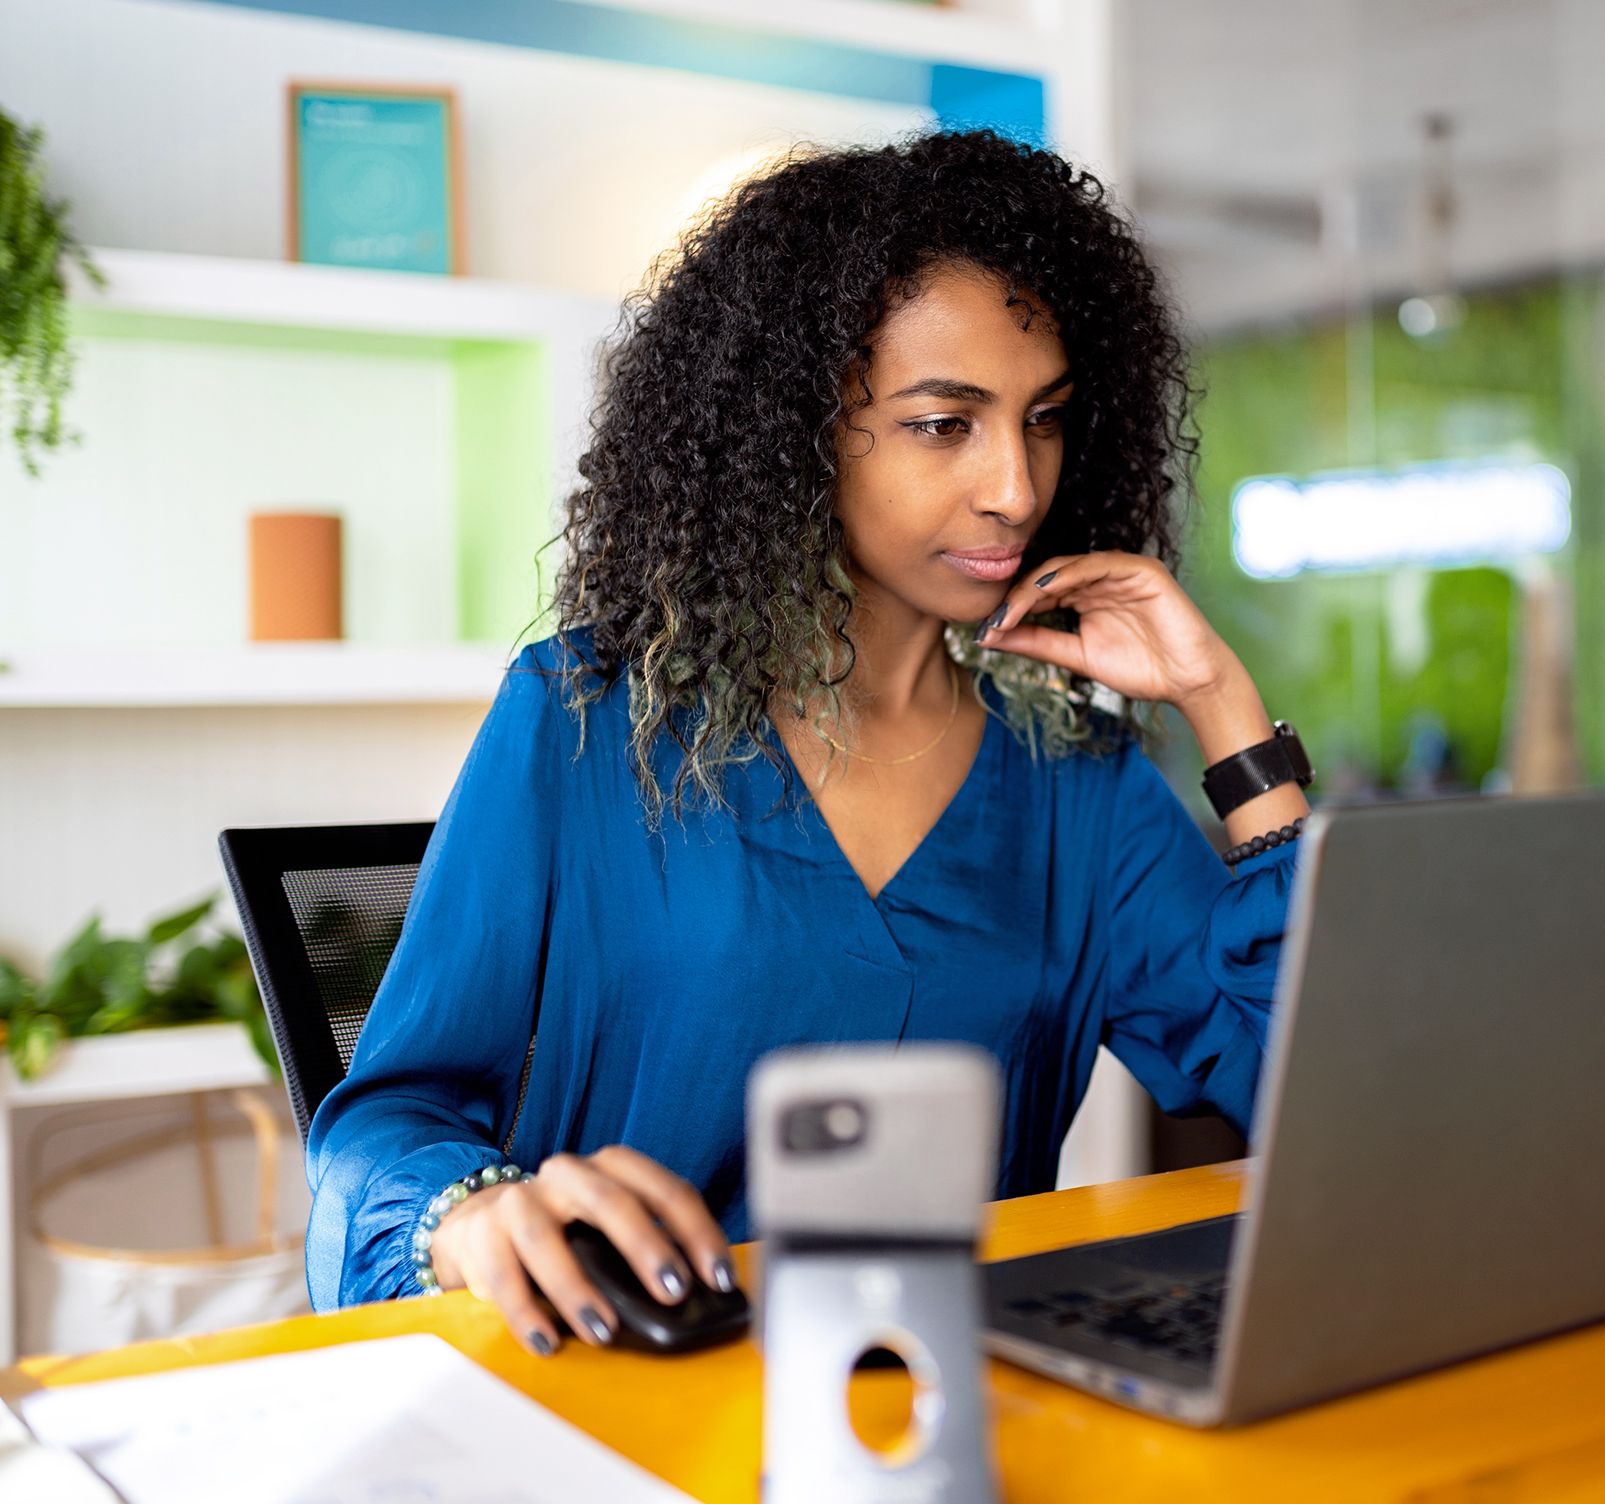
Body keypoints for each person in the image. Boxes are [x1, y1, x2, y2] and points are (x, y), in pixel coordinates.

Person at [304, 130, 1314, 1356]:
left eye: (1043, 419)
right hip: (623, 1398)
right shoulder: (583, 719)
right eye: (946, 424)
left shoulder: (1075, 784)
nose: (1016, 486)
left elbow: (1303, 1096)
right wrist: (468, 1216)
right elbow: (381, 1128)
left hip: (948, 1415)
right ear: (803, 428)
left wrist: (1225, 715)